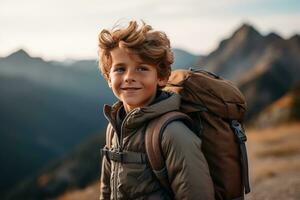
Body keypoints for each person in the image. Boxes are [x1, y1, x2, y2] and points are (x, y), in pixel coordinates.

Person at [98, 20, 214, 200]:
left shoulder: (173, 133)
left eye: (142, 68)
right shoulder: (114, 127)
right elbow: (107, 187)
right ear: (108, 78)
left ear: (161, 78)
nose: (129, 77)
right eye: (120, 69)